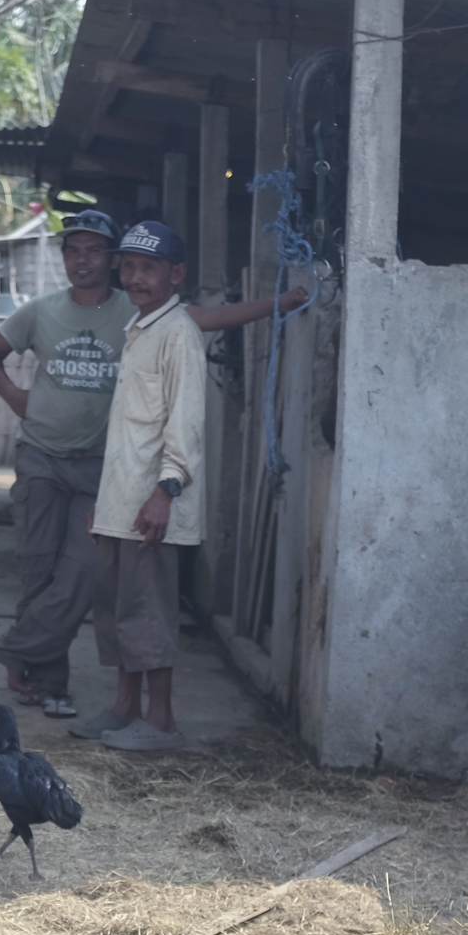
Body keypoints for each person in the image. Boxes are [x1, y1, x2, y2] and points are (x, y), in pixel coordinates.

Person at [77, 220, 304, 751]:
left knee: (149, 613)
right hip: (122, 504)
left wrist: (166, 491)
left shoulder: (178, 333)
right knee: (118, 612)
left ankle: (161, 722)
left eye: (148, 268)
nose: (135, 277)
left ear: (175, 274)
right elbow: (128, 433)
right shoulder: (141, 328)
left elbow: (186, 423)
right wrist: (104, 503)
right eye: (128, 266)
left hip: (153, 505)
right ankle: (123, 708)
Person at [0, 208, 132, 720]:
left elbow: (196, 319)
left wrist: (276, 304)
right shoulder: (41, 311)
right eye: (72, 250)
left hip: (97, 465)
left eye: (93, 250)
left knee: (83, 573)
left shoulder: (134, 312)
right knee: (39, 571)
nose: (81, 260)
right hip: (41, 455)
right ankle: (49, 684)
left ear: (112, 260)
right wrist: (15, 397)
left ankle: (17, 651)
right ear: (63, 258)